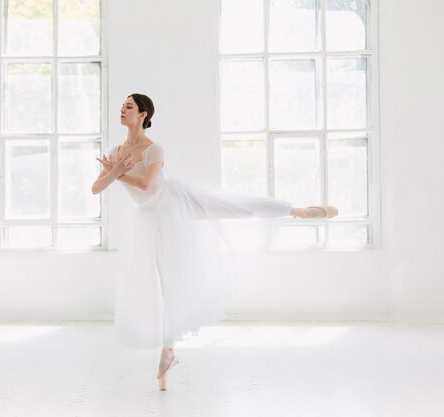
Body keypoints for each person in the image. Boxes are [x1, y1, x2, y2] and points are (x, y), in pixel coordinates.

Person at [91, 93, 338, 391]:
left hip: (174, 201)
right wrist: (113, 172)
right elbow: (96, 188)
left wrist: (116, 174)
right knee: (167, 285)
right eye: (122, 107)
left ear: (143, 114)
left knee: (235, 207)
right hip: (149, 217)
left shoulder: (154, 149)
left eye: (128, 107)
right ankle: (168, 352)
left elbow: (145, 184)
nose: (122, 110)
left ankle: (296, 211)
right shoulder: (116, 151)